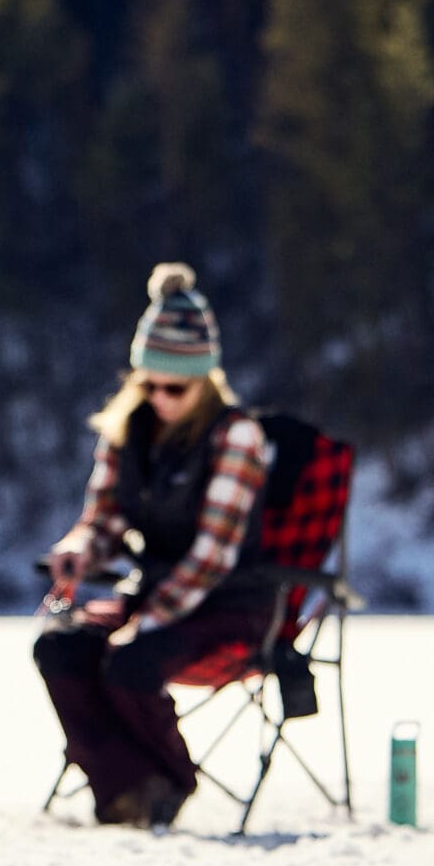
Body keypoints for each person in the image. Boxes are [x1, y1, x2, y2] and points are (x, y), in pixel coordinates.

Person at [37, 264, 274, 828]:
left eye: (175, 388)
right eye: (149, 384)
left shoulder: (236, 435)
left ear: (206, 380)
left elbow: (212, 557)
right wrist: (80, 548)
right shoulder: (128, 431)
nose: (160, 398)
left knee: (131, 660)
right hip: (155, 593)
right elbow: (103, 518)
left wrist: (146, 622)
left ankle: (171, 781)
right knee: (60, 646)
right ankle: (124, 787)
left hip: (229, 603)